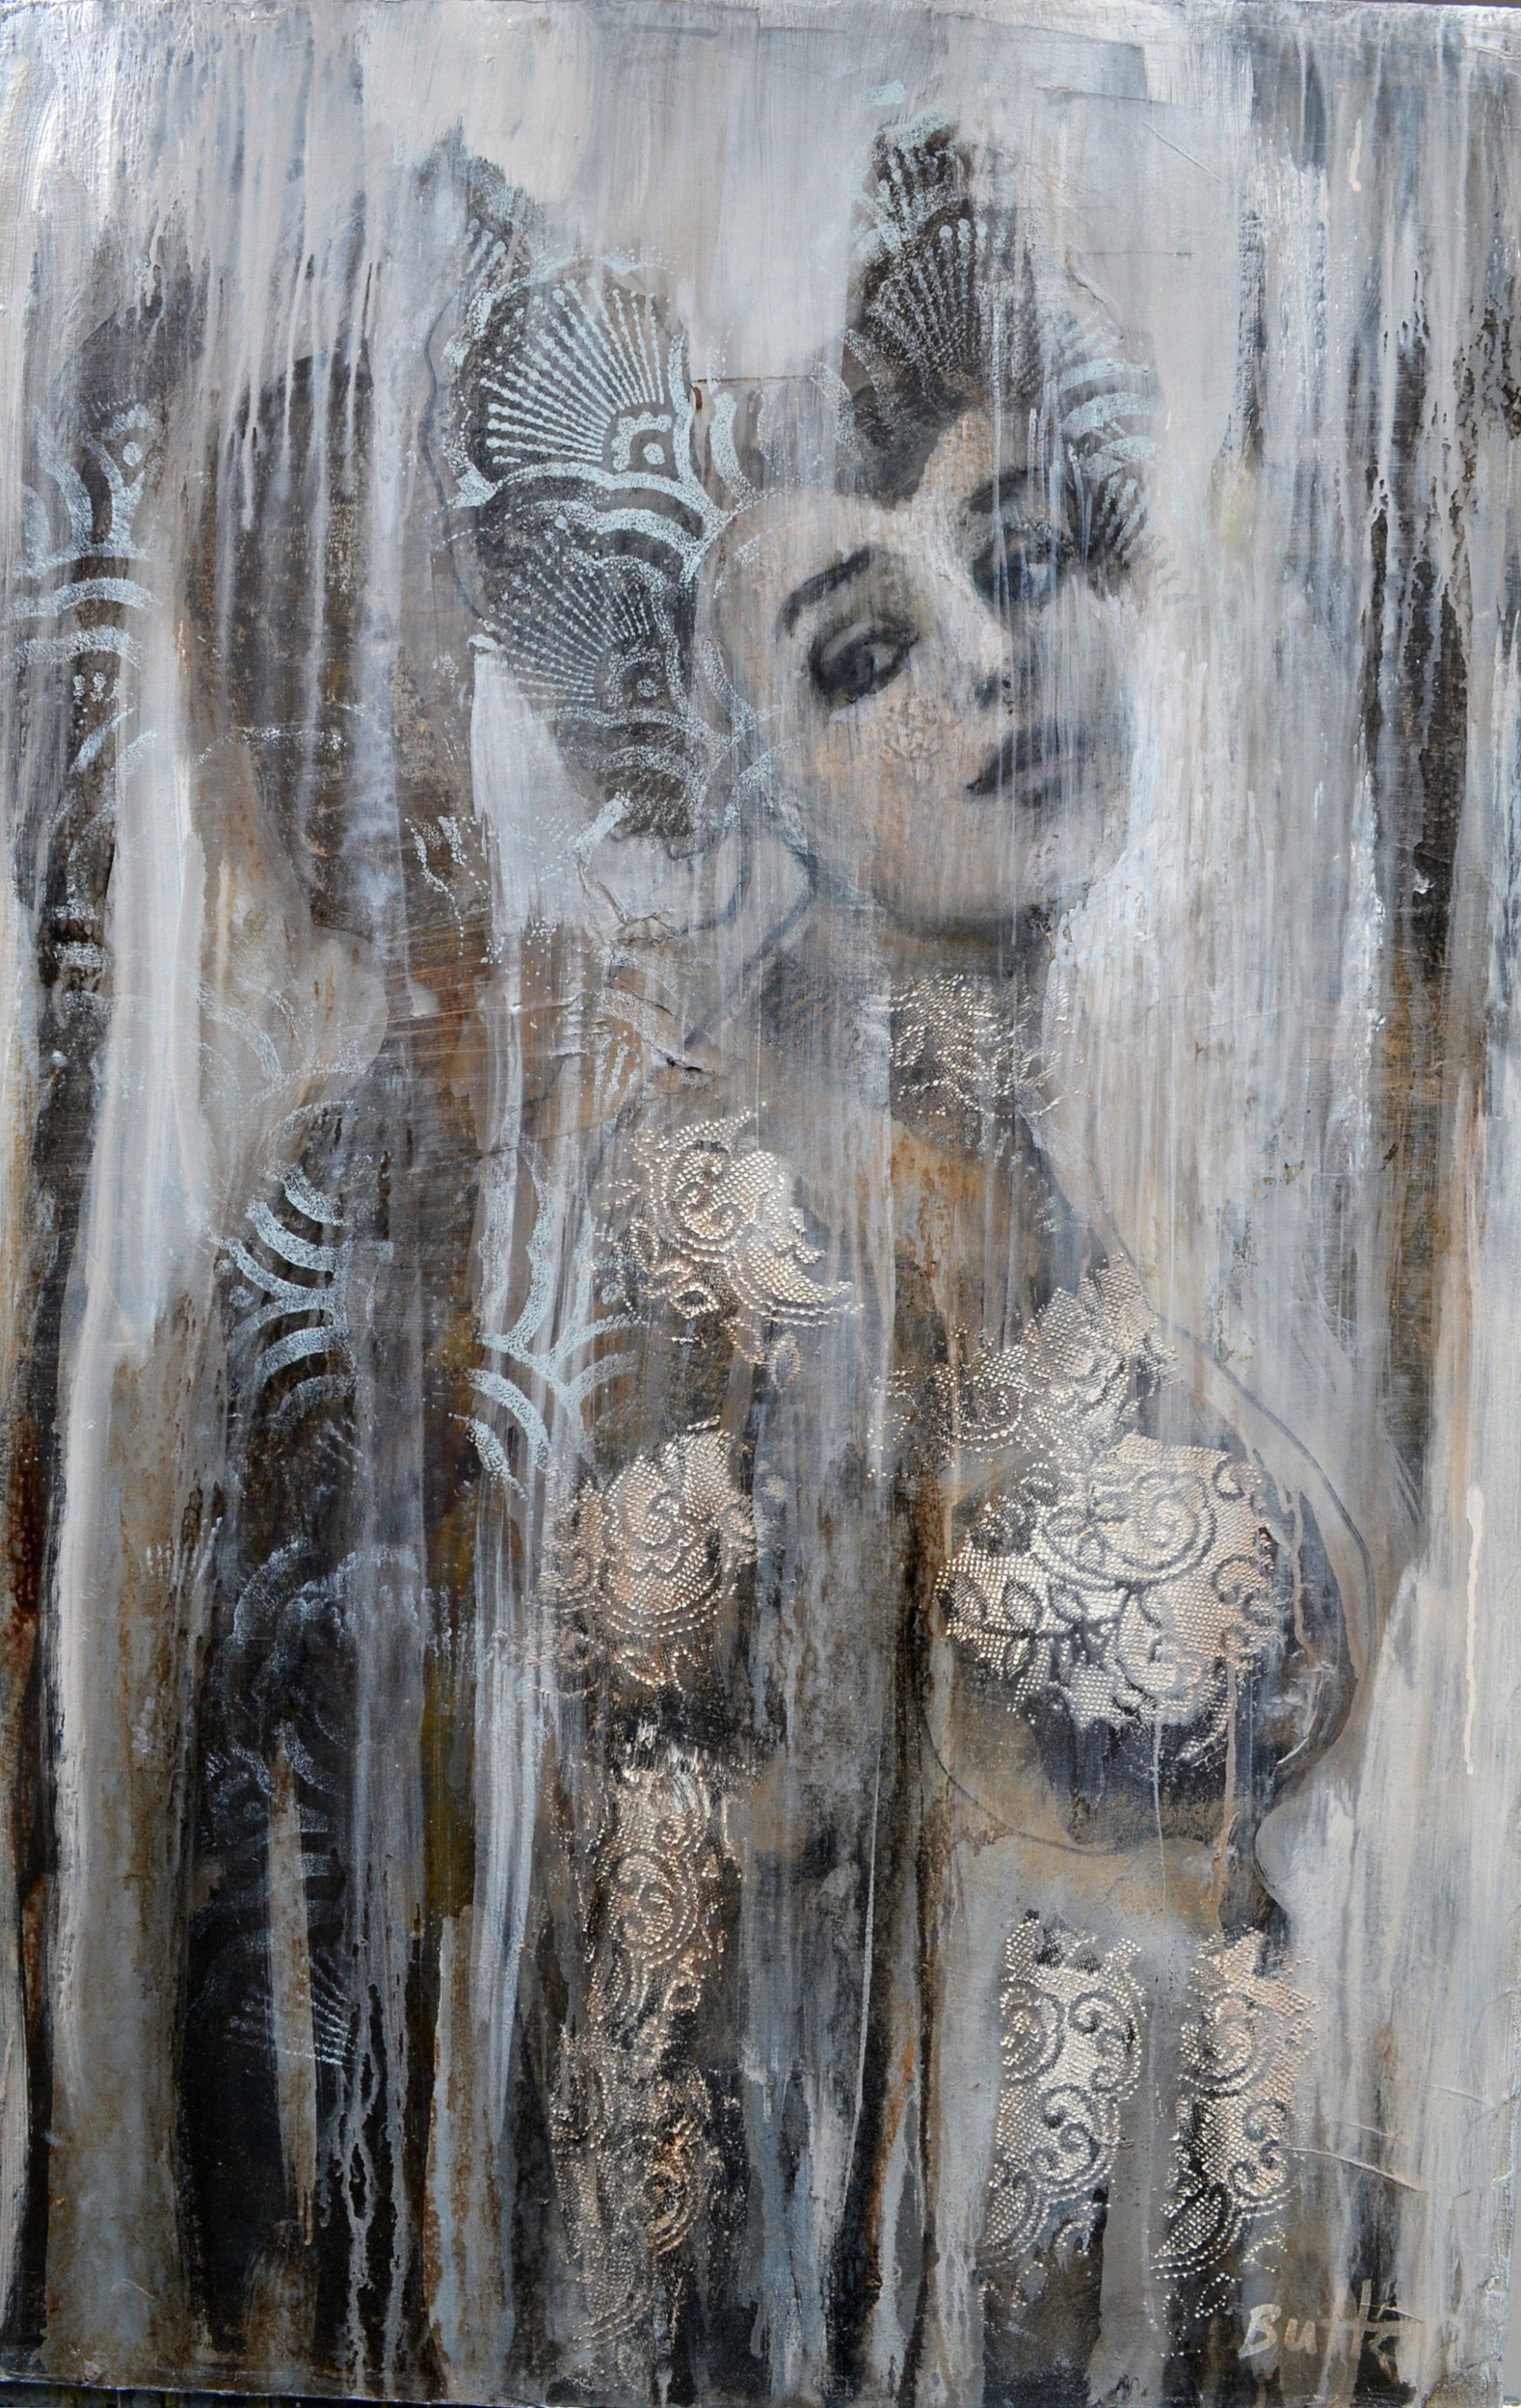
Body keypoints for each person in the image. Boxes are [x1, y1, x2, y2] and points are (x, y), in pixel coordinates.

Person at [439, 121, 1365, 2407]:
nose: (999, 661)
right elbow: (675, 1958)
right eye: (869, 654)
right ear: (738, 782)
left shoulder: (1039, 1168)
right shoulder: (745, 1230)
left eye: (1020, 558)